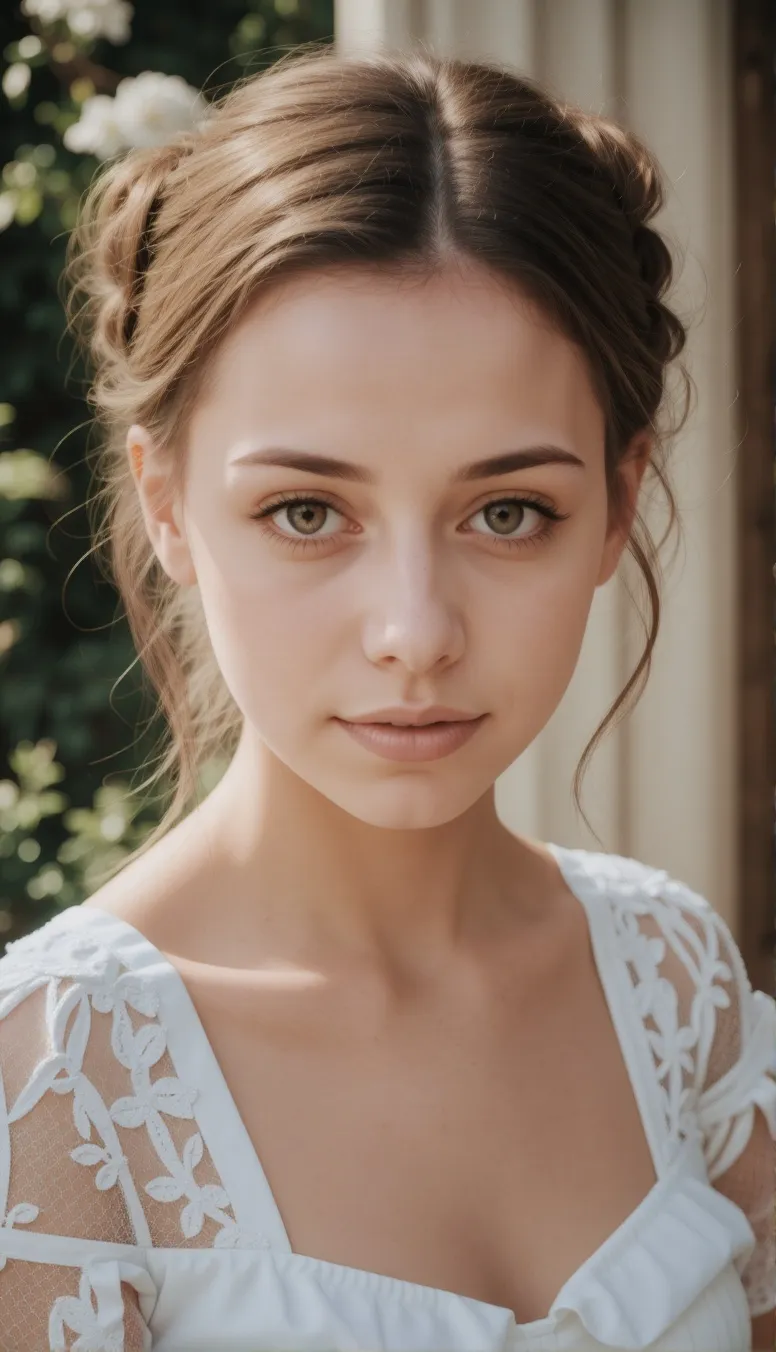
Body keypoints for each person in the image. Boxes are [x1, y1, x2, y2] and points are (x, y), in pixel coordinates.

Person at [0, 42, 773, 1352]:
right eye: (307, 511)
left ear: (619, 503)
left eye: (508, 510)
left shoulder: (670, 977)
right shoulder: (55, 1087)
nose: (416, 632)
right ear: (167, 502)